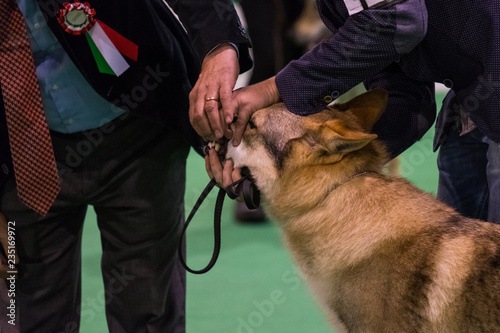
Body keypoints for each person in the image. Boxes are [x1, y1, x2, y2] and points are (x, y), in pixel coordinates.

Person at [0, 0, 251, 331]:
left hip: (139, 127)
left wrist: (220, 48)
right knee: (27, 316)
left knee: (148, 315)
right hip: (20, 156)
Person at [193, 0, 500, 223]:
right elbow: (405, 99)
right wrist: (285, 175)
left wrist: (273, 88)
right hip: (475, 101)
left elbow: (397, 17)